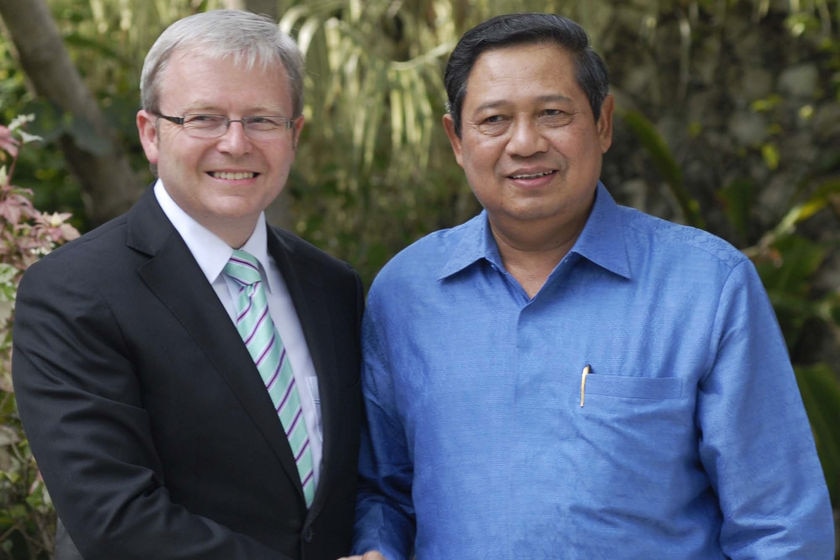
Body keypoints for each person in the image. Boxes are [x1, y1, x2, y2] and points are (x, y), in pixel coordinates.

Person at [343, 12, 835, 560]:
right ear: (457, 139)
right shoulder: (405, 293)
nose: (525, 143)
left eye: (553, 113)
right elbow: (383, 491)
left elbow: (779, 525)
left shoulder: (706, 287)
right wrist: (376, 547)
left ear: (603, 123)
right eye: (494, 120)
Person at [12, 9, 364, 560]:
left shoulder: (333, 288)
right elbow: (115, 519)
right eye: (203, 118)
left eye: (262, 120)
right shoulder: (73, 293)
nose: (235, 143)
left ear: (294, 135)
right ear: (151, 134)